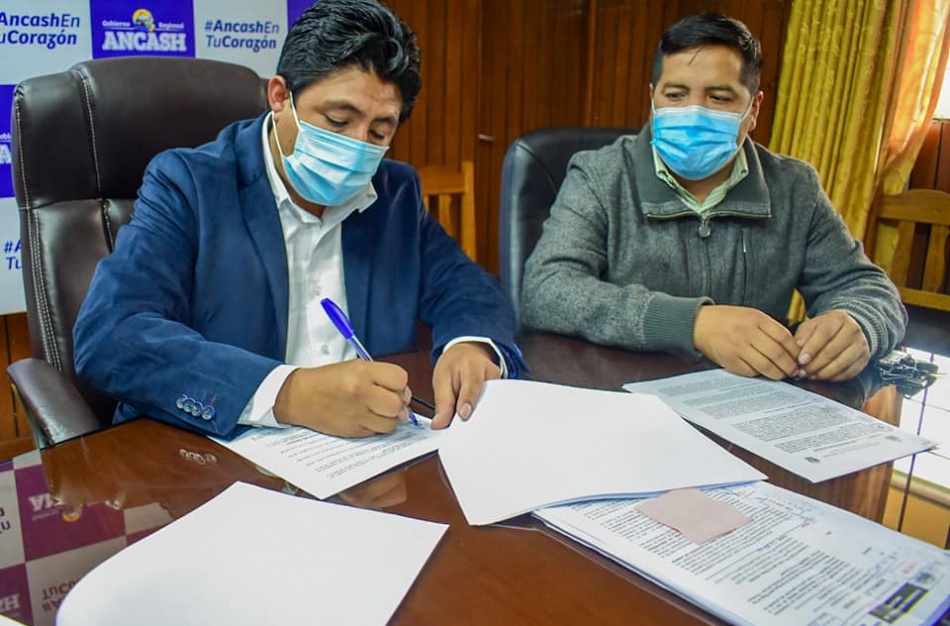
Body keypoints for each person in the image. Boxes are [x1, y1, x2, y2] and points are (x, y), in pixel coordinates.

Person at [74, 0, 524, 439]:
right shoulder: (190, 184)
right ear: (280, 97)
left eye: (379, 131)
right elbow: (111, 334)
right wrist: (290, 393)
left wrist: (471, 343)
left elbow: (466, 286)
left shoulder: (393, 194)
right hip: (215, 452)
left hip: (366, 451)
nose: (357, 146)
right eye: (337, 120)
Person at [522, 12, 905, 383]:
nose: (693, 112)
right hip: (623, 398)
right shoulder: (600, 176)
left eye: (719, 98)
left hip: (750, 407)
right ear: (652, 99)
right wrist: (692, 324)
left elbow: (866, 288)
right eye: (676, 95)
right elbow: (547, 290)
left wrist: (858, 323)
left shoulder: (794, 188)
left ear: (754, 109)